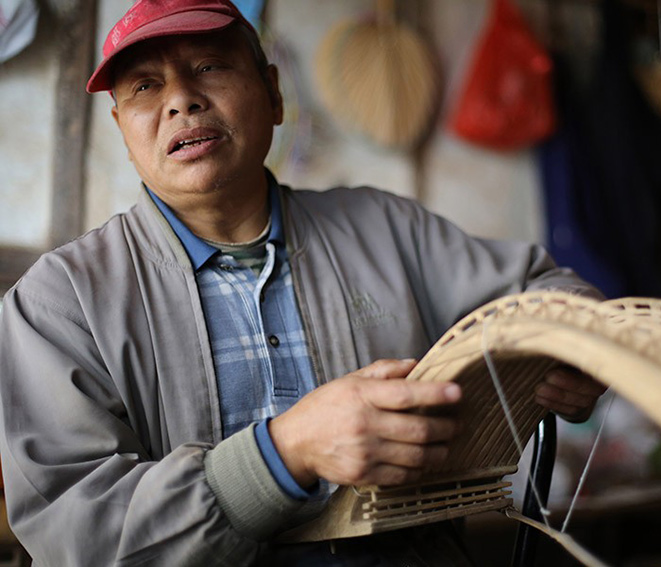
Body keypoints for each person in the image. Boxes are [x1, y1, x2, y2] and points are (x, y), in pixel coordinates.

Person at [0, 0, 605, 565]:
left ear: (272, 93)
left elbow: (546, 291)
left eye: (209, 65)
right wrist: (285, 452)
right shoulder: (57, 302)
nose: (181, 100)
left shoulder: (387, 227)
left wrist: (572, 353)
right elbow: (74, 529)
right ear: (123, 132)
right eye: (145, 86)